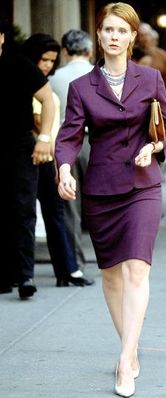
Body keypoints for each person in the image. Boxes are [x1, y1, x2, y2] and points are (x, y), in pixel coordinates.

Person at [55, 2, 166, 397]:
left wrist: (154, 146)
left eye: (121, 31)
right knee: (111, 274)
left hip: (144, 184)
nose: (113, 36)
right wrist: (63, 168)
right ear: (99, 35)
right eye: (107, 29)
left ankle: (125, 361)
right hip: (102, 187)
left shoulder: (151, 78)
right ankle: (131, 344)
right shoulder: (81, 87)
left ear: (131, 36)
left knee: (137, 270)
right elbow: (71, 135)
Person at [21, 33, 93, 288]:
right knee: (26, 213)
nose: (48, 65)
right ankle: (24, 274)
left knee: (58, 211)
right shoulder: (27, 80)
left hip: (52, 154)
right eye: (44, 59)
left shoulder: (49, 82)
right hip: (30, 154)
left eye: (52, 60)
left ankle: (68, 269)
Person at [0, 21, 54, 299]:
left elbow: (48, 99)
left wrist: (44, 138)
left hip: (20, 144)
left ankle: (24, 275)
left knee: (22, 209)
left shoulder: (18, 64)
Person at [50, 29, 95, 271]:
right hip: (96, 143)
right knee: (105, 200)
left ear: (65, 51)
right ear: (89, 50)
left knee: (69, 204)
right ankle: (110, 257)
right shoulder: (101, 74)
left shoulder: (53, 77)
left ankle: (75, 261)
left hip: (64, 143)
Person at [136, 22, 166, 101]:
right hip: (137, 99)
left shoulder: (162, 55)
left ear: (152, 37)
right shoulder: (131, 56)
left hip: (158, 99)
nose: (144, 38)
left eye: (147, 35)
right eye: (141, 35)